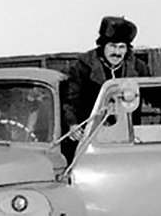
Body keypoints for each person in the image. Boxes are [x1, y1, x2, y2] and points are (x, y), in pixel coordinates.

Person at [61, 16, 150, 160]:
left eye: (121, 47)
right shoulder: (83, 67)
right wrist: (73, 124)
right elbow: (70, 100)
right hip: (91, 138)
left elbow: (158, 95)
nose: (117, 52)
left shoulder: (138, 68)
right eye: (112, 46)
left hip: (126, 138)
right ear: (102, 46)